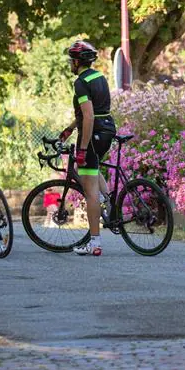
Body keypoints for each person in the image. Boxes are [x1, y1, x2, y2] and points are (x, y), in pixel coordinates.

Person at [59, 40, 116, 256]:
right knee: (94, 171)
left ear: (77, 61)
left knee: (89, 190)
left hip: (93, 134)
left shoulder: (81, 83)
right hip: (107, 129)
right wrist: (70, 129)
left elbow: (89, 115)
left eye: (71, 60)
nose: (69, 64)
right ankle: (108, 204)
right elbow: (92, 111)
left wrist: (82, 148)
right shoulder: (99, 77)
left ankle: (94, 242)